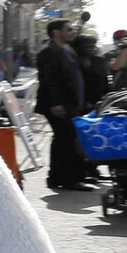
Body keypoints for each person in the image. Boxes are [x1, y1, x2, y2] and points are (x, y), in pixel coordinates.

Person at [37, 20, 95, 192]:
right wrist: (56, 104)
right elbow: (50, 80)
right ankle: (71, 179)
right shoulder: (49, 52)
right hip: (59, 104)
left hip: (71, 103)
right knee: (69, 139)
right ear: (56, 32)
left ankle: (55, 177)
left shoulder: (68, 50)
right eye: (68, 30)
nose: (71, 32)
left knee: (63, 139)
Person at [73, 35, 111, 112]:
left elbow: (105, 81)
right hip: (79, 101)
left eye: (93, 45)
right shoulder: (73, 63)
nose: (92, 48)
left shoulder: (100, 61)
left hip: (100, 100)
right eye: (88, 46)